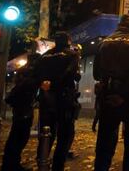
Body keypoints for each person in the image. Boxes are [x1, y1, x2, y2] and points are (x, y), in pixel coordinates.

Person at [93, 14, 129, 171]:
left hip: (108, 97)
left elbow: (96, 74)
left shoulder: (104, 42)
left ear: (118, 25)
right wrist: (124, 94)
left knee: (104, 143)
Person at [36, 31, 81, 171]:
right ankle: (57, 165)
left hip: (46, 98)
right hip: (64, 98)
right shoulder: (72, 55)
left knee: (46, 132)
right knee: (65, 134)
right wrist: (57, 84)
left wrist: (46, 85)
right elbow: (71, 74)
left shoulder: (45, 56)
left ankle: (42, 160)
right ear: (68, 40)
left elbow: (36, 73)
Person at [1, 53, 41, 171]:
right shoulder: (31, 75)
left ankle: (11, 164)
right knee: (19, 138)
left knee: (16, 137)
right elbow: (25, 88)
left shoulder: (23, 71)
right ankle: (11, 165)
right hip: (24, 109)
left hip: (20, 109)